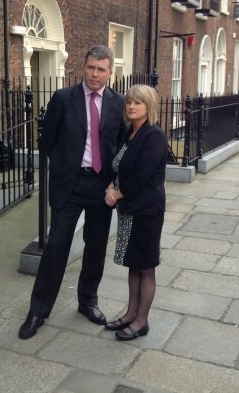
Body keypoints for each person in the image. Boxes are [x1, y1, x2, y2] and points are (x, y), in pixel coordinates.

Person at [18, 45, 126, 340]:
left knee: (96, 246)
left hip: (102, 185)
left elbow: (121, 146)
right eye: (91, 67)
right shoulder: (64, 98)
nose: (94, 74)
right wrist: (65, 167)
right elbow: (48, 141)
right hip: (70, 184)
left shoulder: (118, 103)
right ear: (83, 67)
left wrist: (115, 183)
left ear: (110, 72)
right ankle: (38, 310)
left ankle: (87, 301)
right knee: (56, 246)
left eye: (101, 69)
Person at [103, 84, 168, 341]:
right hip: (130, 209)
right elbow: (119, 167)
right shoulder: (130, 132)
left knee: (146, 267)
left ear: (148, 106)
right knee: (134, 263)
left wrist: (116, 194)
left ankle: (141, 322)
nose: (131, 106)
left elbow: (141, 176)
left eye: (138, 102)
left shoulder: (154, 136)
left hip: (147, 212)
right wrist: (111, 185)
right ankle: (131, 314)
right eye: (129, 101)